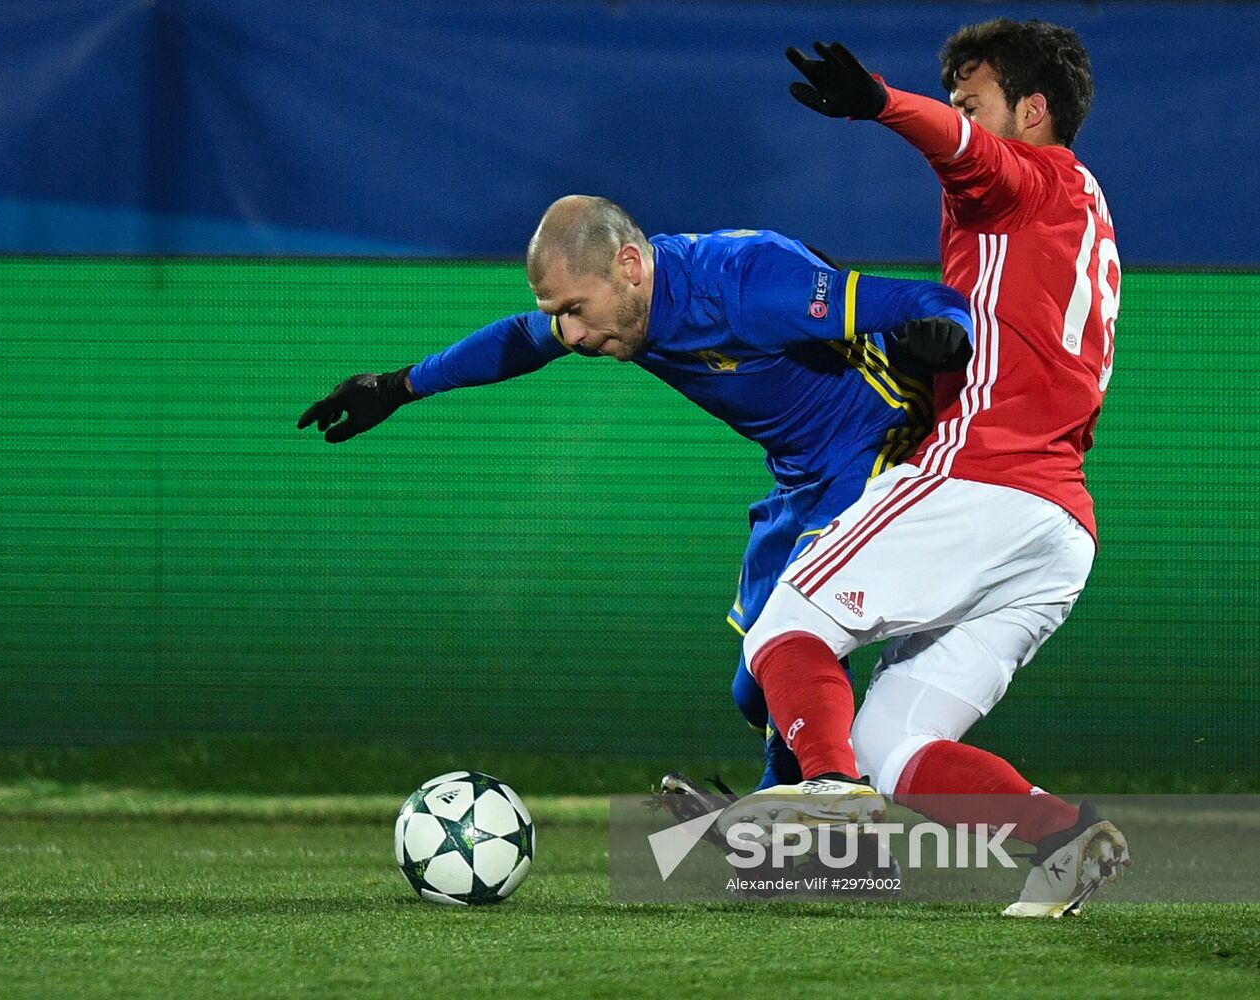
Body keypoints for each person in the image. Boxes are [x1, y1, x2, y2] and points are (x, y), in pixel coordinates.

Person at [299, 194, 973, 789]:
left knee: (791, 646)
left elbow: (926, 301)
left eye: (576, 310)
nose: (576, 335)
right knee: (753, 685)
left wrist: (954, 334)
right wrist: (396, 386)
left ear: (628, 264)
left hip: (881, 450)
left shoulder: (746, 283)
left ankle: (811, 809)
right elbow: (519, 340)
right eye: (559, 314)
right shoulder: (617, 307)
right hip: (799, 477)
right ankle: (792, 809)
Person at [722, 20, 1129, 917]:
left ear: (1032, 112)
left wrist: (880, 103)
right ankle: (1059, 835)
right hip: (1056, 529)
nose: (962, 118)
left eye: (974, 102)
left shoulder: (1026, 178)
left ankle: (826, 795)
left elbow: (969, 157)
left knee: (785, 625)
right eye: (955, 103)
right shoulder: (1085, 206)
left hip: (981, 480)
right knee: (895, 738)